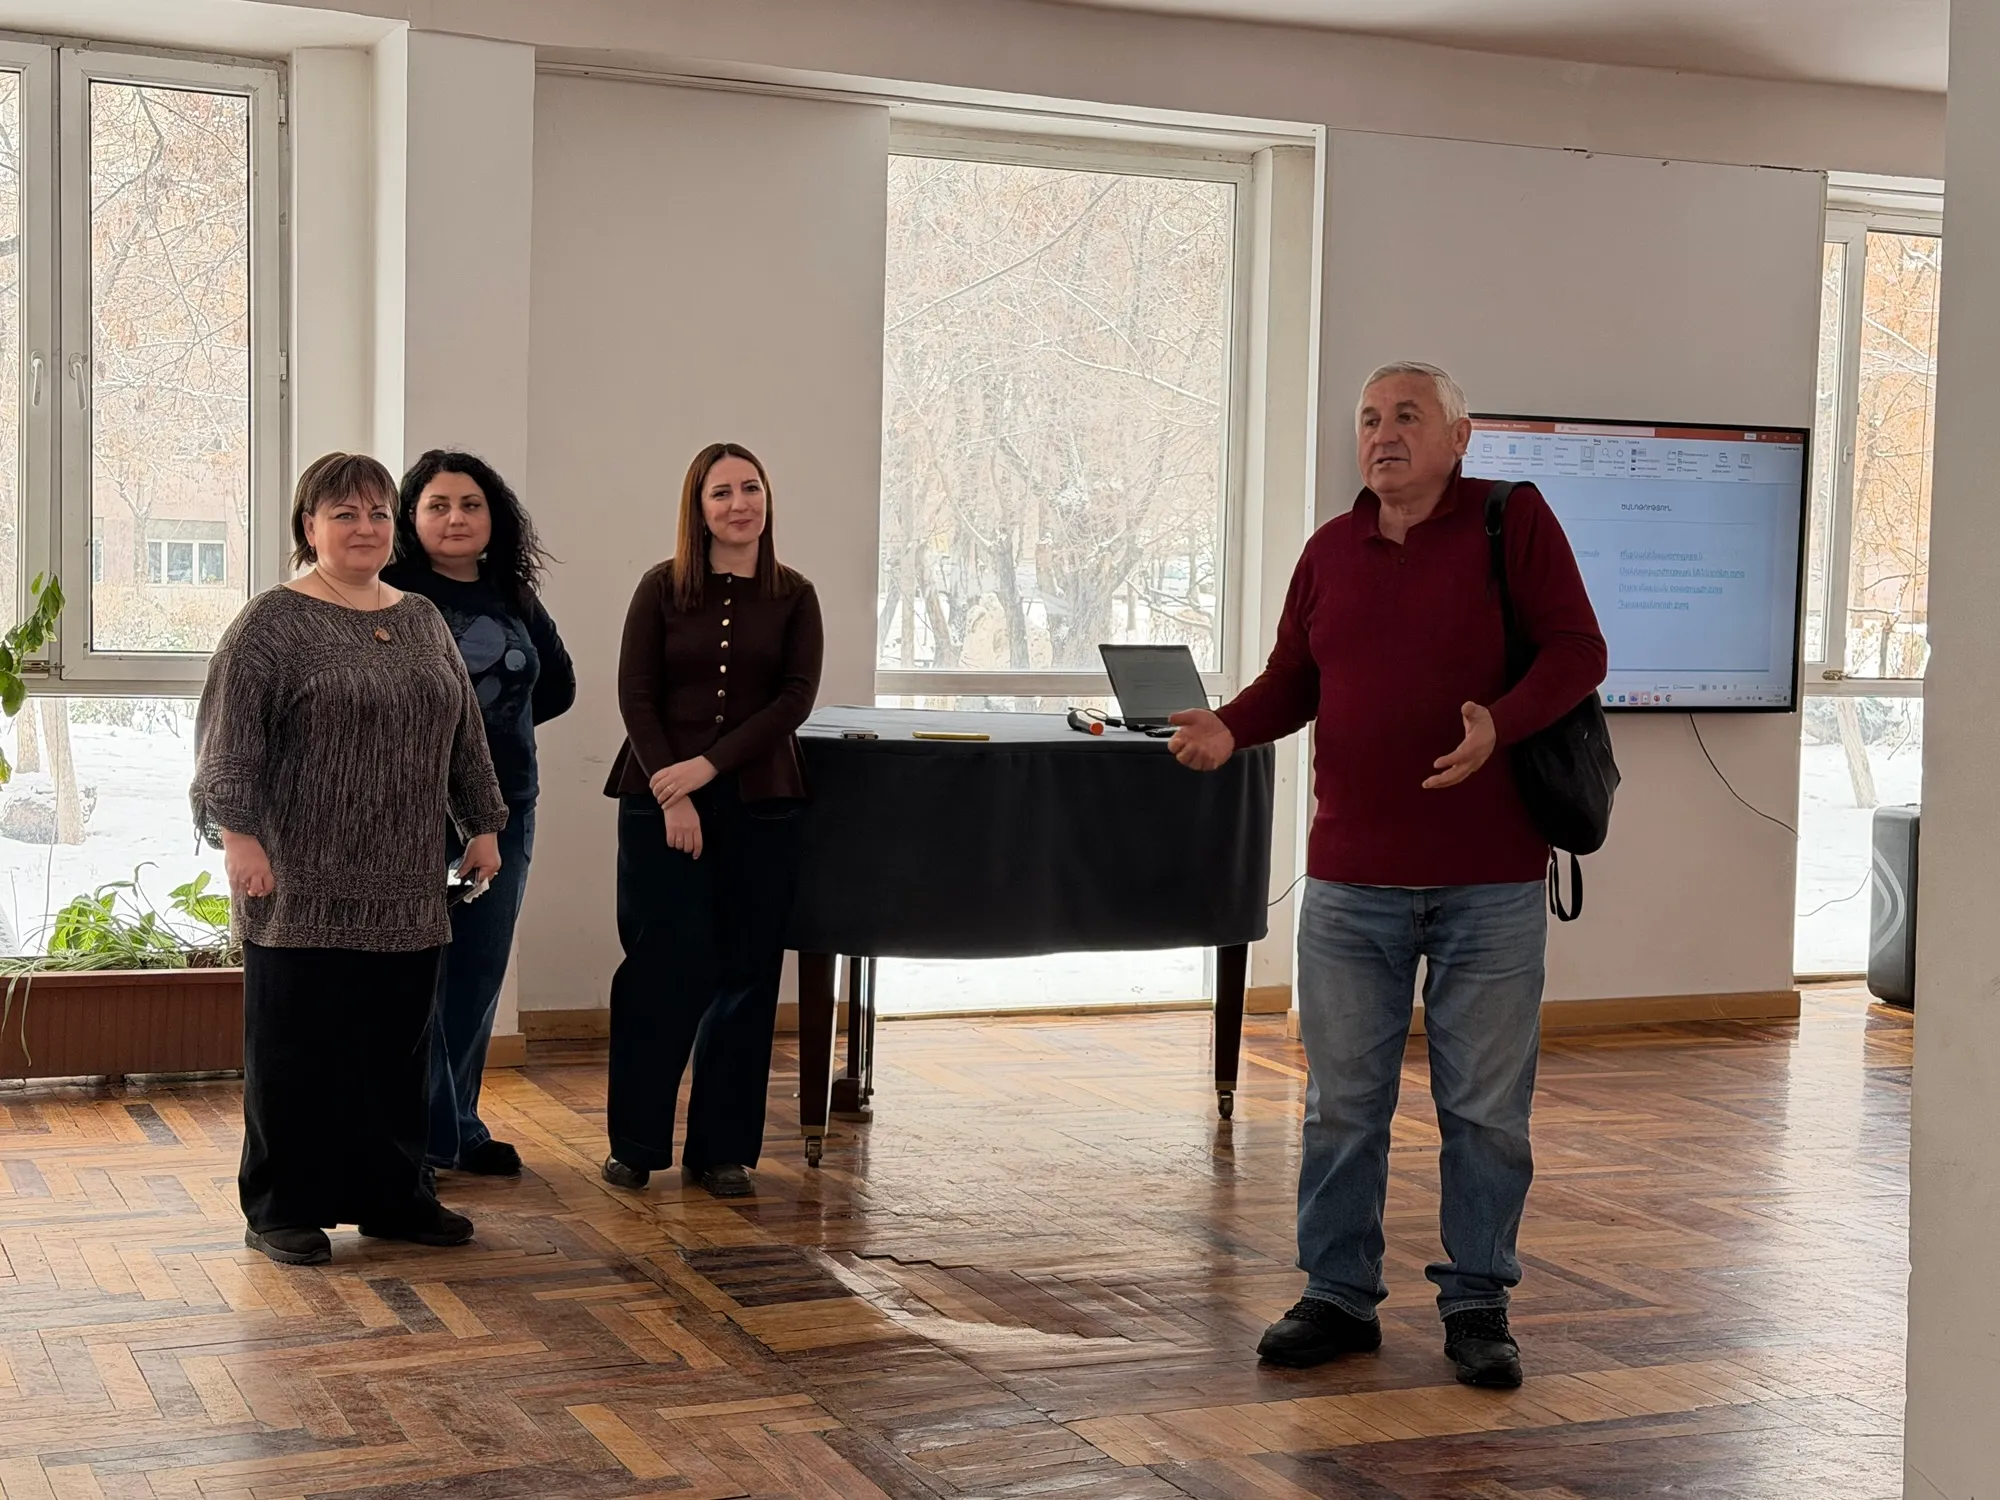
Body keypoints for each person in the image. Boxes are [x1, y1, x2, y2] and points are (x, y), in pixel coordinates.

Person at [1170, 363, 1607, 1388]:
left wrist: (1499, 723)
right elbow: (1292, 680)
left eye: (1406, 416)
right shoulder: (1329, 550)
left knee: (1485, 1110)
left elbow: (1577, 651)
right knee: (1339, 1105)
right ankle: (1335, 1293)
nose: (1382, 434)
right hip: (1350, 882)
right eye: (1368, 420)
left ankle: (1476, 1302)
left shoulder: (1513, 521)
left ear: (1459, 435)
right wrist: (1228, 728)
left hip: (1489, 880)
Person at [191, 452, 509, 1268]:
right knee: (297, 1052)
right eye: (343, 514)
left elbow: (462, 734)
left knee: (394, 1053)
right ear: (310, 528)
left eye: (375, 514)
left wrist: (482, 823)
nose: (363, 528)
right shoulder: (273, 622)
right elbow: (230, 738)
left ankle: (394, 1197)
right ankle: (281, 1207)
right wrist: (238, 835)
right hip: (297, 880)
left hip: (405, 883)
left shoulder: (421, 618)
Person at [600, 442, 823, 1199]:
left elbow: (794, 700)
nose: (739, 504)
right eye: (721, 492)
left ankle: (722, 1149)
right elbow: (637, 694)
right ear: (697, 508)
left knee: (747, 974)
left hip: (762, 804)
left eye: (751, 488)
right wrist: (676, 791)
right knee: (661, 968)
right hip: (659, 799)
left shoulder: (795, 594)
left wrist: (709, 769)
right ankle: (635, 1143)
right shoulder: (660, 588)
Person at [386, 451, 576, 1181]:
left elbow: (555, 687)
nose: (455, 518)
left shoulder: (513, 595)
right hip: (411, 812)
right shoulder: (395, 594)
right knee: (418, 977)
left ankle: (460, 1125)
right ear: (412, 517)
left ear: (493, 518)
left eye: (470, 504)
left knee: (477, 972)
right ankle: (425, 1135)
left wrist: (497, 730)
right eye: (438, 505)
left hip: (508, 811)